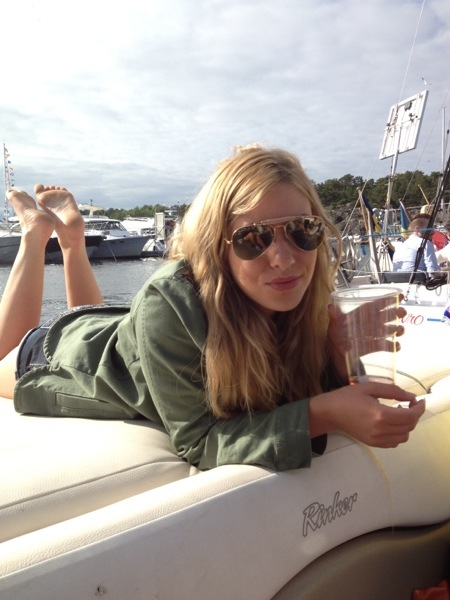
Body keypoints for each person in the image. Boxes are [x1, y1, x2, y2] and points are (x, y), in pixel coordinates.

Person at [0, 146, 424, 471]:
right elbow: (200, 442)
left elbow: (290, 390)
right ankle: (35, 236)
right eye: (254, 238)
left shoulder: (306, 297)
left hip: (119, 336)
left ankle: (73, 242)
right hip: (61, 357)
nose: (284, 258)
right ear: (217, 245)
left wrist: (335, 353)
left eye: (302, 229)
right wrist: (323, 413)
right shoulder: (169, 300)